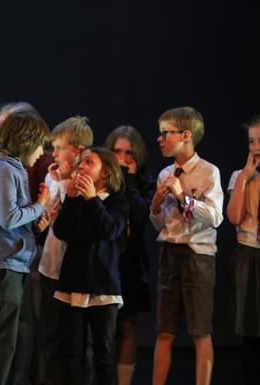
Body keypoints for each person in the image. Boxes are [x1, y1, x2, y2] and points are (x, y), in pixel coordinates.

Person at [150, 106, 223, 385]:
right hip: (170, 254)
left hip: (197, 256)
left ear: (186, 135)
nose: (159, 139)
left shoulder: (208, 173)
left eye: (165, 133)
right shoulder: (165, 173)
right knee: (164, 330)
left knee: (200, 331)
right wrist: (156, 207)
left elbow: (215, 218)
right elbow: (161, 224)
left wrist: (184, 197)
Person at [0, 109, 50, 385]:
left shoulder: (7, 168)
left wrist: (36, 223)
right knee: (1, 341)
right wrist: (40, 205)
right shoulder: (3, 169)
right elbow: (8, 218)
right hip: (2, 265)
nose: (42, 152)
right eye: (40, 144)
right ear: (26, 140)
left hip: (9, 262)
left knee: (5, 341)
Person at [53, 147, 128, 385]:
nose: (81, 167)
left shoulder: (117, 201)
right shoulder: (76, 200)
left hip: (102, 286)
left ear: (105, 173)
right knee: (71, 352)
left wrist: (93, 199)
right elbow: (61, 231)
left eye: (89, 162)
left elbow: (109, 230)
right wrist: (73, 200)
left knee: (103, 352)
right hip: (73, 283)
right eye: (80, 163)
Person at [39, 115, 93, 385]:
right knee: (51, 336)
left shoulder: (87, 183)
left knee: (76, 340)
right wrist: (55, 185)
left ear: (78, 151)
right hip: (50, 267)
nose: (54, 154)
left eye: (59, 148)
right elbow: (49, 217)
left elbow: (68, 224)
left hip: (74, 272)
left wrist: (61, 185)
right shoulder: (52, 179)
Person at [103, 125, 155, 385]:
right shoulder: (101, 177)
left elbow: (141, 215)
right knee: (101, 329)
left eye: (128, 153)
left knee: (127, 326)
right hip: (103, 260)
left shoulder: (145, 183)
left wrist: (131, 181)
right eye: (117, 152)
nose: (122, 158)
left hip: (132, 262)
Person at [226, 115, 260, 385]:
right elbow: (234, 216)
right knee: (251, 331)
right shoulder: (240, 176)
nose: (256, 147)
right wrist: (245, 179)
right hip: (249, 253)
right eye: (252, 141)